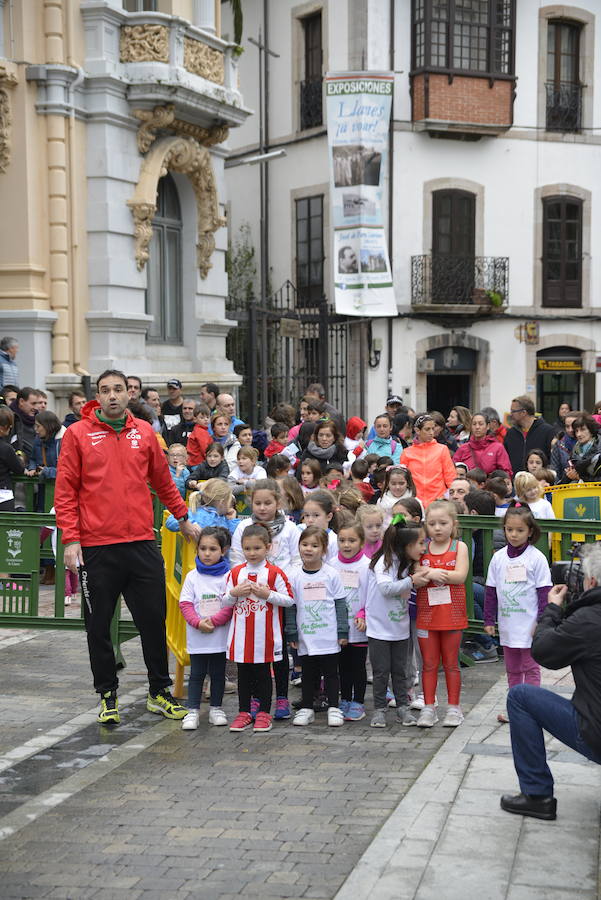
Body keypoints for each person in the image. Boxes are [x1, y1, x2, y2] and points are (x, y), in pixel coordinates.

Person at [54, 369, 200, 725]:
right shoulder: (77, 434)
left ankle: (159, 692)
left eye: (118, 389)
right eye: (105, 391)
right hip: (97, 547)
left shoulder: (145, 432)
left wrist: (183, 518)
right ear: (98, 398)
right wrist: (71, 539)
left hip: (140, 543)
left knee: (154, 621)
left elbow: (163, 481)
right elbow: (66, 490)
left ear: (128, 394)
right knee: (98, 626)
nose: (113, 396)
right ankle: (107, 694)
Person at [500, 542, 601, 821]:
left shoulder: (589, 619)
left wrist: (553, 609)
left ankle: (537, 795)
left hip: (596, 735)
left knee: (520, 696)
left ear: (590, 581)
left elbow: (544, 652)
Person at [230, 478, 301, 718]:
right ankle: (253, 698)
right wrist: (247, 581)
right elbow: (236, 557)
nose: (262, 507)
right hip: (250, 596)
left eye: (267, 503)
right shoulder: (244, 528)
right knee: (252, 649)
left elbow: (296, 559)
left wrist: (277, 582)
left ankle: (281, 697)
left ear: (278, 502)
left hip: (279, 594)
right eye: (258, 503)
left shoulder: (290, 528)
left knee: (278, 648)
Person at [221, 523, 294, 734]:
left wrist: (268, 595)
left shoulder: (274, 573)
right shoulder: (235, 573)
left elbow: (289, 600)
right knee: (243, 674)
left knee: (263, 674)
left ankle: (264, 712)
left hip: (266, 636)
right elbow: (225, 602)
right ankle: (244, 712)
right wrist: (234, 593)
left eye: (257, 548)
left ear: (268, 547)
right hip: (241, 635)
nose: (252, 553)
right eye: (247, 548)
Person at [485, 503, 551, 724]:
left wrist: (541, 622)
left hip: (530, 624)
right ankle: (515, 709)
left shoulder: (537, 558)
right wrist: (488, 618)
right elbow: (491, 590)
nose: (513, 534)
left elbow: (544, 593)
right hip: (508, 623)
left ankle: (533, 710)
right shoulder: (498, 558)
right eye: (509, 529)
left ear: (530, 531)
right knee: (512, 669)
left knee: (531, 667)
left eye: (520, 530)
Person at [363, 516, 428, 728]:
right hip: (380, 628)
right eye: (420, 543)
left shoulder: (408, 563)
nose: (423, 547)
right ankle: (379, 709)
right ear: (406, 545)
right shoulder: (385, 562)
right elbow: (386, 588)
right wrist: (412, 581)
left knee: (400, 670)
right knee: (381, 671)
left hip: (400, 627)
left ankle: (403, 707)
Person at [286, 526, 348, 727]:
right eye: (304, 544)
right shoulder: (294, 576)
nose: (309, 549)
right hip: (306, 636)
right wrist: (292, 632)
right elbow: (291, 606)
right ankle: (307, 707)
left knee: (331, 672)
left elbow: (340, 603)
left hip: (328, 635)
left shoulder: (331, 574)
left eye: (314, 545)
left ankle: (334, 707)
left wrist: (342, 631)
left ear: (324, 550)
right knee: (308, 673)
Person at [415, 500, 469, 728]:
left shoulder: (460, 547)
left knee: (451, 663)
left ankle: (454, 708)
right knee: (428, 664)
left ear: (453, 524)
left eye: (443, 523)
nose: (437, 528)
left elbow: (460, 576)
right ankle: (428, 707)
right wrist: (430, 572)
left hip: (452, 614)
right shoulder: (422, 547)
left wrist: (435, 573)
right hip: (427, 615)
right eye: (432, 523)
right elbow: (414, 573)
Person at [178, 526, 232, 731]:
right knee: (197, 673)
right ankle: (192, 710)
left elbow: (229, 603)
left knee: (218, 673)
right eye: (203, 548)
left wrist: (215, 622)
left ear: (223, 550)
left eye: (212, 549)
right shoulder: (192, 576)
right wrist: (197, 622)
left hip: (218, 634)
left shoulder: (228, 576)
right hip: (198, 634)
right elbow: (185, 604)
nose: (207, 553)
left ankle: (216, 709)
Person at [332, 521, 370, 722]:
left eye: (352, 541)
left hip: (358, 626)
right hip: (338, 627)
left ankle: (358, 701)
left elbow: (371, 596)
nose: (346, 545)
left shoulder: (367, 566)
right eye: (342, 540)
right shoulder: (331, 565)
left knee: (358, 665)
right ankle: (345, 698)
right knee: (342, 666)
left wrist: (363, 614)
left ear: (362, 543)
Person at [400, 414, 456, 507]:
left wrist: (447, 497)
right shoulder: (406, 452)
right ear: (417, 430)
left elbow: (450, 477)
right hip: (415, 503)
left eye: (433, 428)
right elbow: (403, 480)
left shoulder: (442, 449)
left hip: (438, 501)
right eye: (427, 429)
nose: (431, 432)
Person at [504, 395, 555, 476]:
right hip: (516, 484)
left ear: (524, 413)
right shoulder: (510, 433)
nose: (510, 414)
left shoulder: (548, 431)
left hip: (540, 483)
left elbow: (553, 460)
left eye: (513, 411)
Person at [453, 412, 513, 476]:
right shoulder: (463, 448)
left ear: (488, 426)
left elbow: (506, 473)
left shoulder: (497, 448)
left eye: (481, 424)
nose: (477, 427)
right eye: (474, 424)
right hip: (467, 485)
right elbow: (452, 469)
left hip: (490, 485)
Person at [300, 490, 339, 563]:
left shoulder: (334, 541)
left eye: (316, 515)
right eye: (307, 515)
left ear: (329, 517)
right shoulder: (300, 533)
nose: (310, 520)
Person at [0, 406, 24, 510]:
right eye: (9, 426)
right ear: (2, 427)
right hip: (3, 496)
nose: (11, 428)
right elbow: (19, 469)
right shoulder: (6, 448)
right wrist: (20, 458)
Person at [570, 413, 601, 482]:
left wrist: (581, 478)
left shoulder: (599, 451)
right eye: (576, 431)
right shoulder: (575, 450)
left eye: (582, 429)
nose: (578, 434)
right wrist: (569, 475)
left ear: (591, 431)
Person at [9, 387, 38, 460]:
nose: (36, 408)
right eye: (33, 404)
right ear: (21, 401)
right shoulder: (9, 418)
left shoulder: (38, 419)